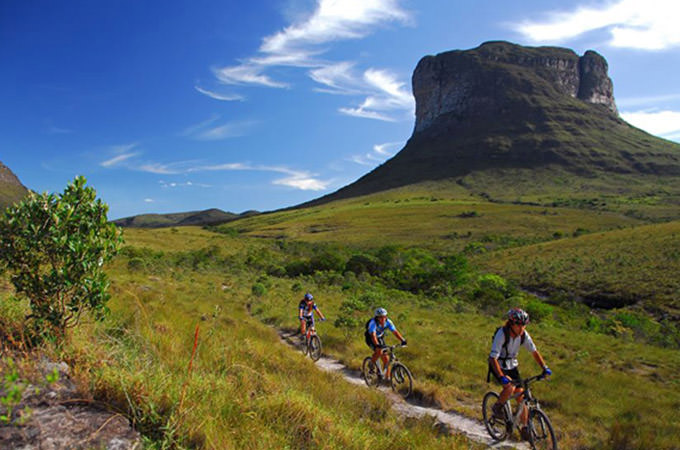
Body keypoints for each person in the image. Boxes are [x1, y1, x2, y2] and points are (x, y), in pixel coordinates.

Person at [488, 308, 552, 441]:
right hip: (498, 364)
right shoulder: (502, 334)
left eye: (524, 325)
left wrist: (544, 367)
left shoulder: (523, 335)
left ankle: (524, 427)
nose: (522, 328)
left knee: (521, 395)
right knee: (509, 387)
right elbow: (493, 358)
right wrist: (501, 376)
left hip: (512, 365)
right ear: (511, 324)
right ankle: (498, 407)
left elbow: (534, 352)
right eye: (519, 325)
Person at [365, 307, 406, 381]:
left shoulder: (388, 322)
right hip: (370, 338)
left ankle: (387, 378)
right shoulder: (373, 323)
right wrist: (377, 344)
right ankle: (371, 364)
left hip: (380, 337)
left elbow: (395, 332)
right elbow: (373, 335)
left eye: (384, 316)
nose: (382, 319)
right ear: (377, 318)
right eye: (380, 317)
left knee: (386, 359)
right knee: (379, 351)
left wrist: (402, 340)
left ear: (386, 316)